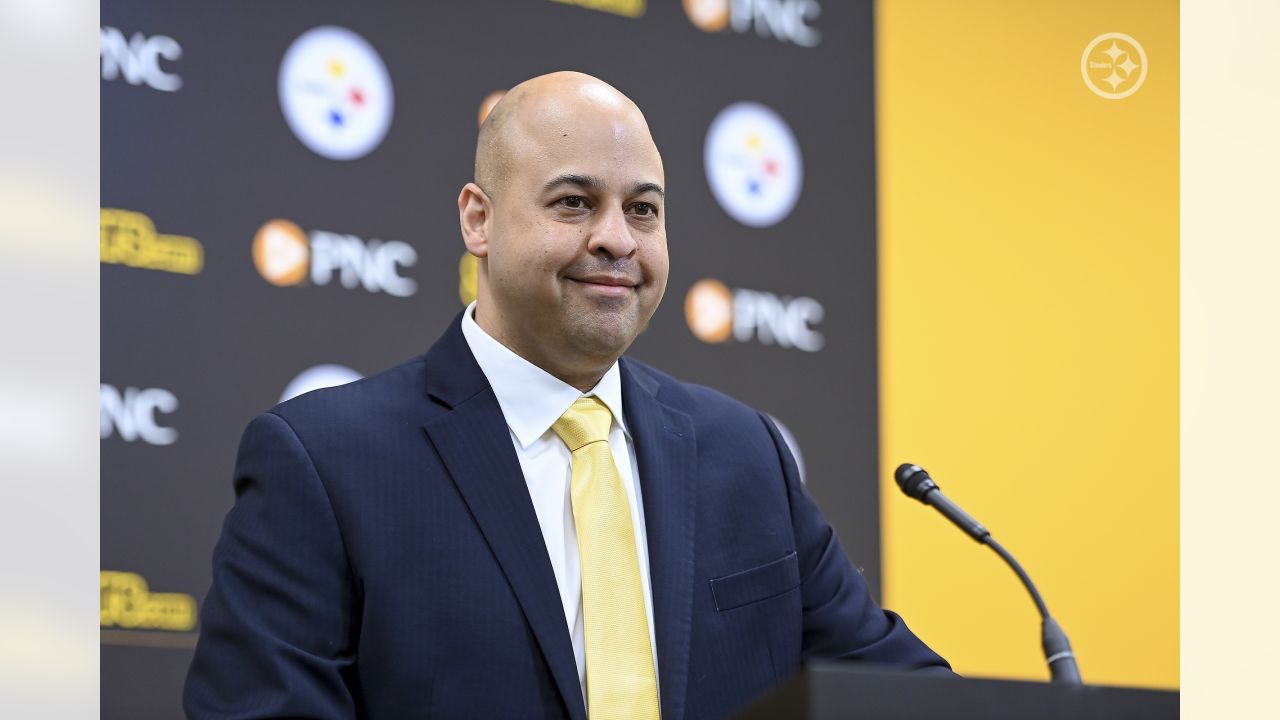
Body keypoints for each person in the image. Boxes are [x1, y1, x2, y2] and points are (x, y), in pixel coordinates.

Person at [184, 71, 950, 720]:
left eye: (643, 209)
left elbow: (898, 693)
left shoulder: (745, 455)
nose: (618, 238)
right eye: (575, 203)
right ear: (478, 221)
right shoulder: (326, 463)